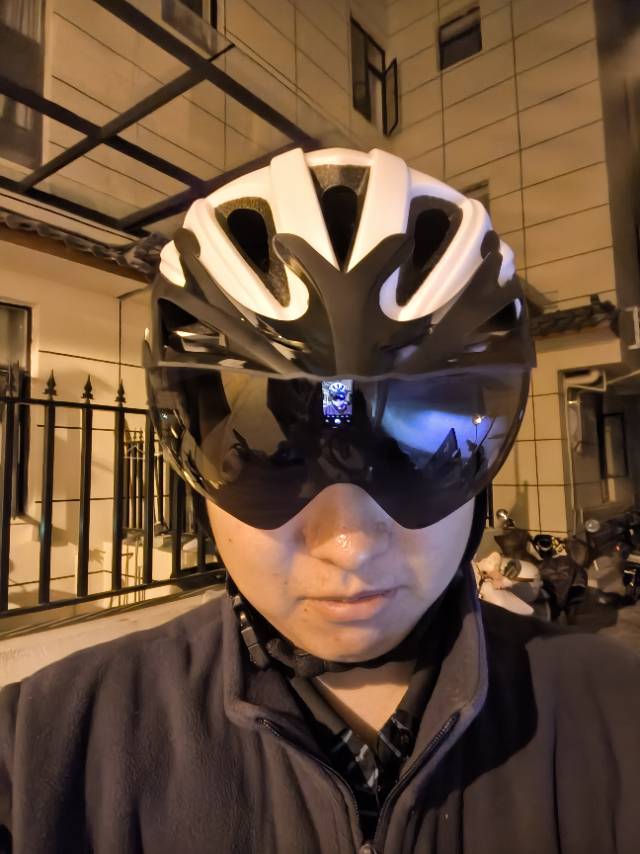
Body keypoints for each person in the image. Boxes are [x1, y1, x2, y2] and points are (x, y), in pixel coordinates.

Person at [0, 147, 638, 854]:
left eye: (420, 445)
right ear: (191, 450)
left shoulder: (618, 712)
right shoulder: (43, 745)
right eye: (272, 453)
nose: (348, 544)